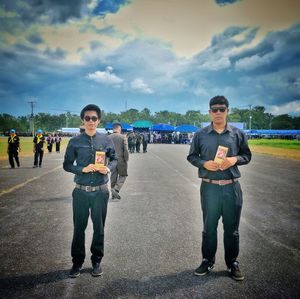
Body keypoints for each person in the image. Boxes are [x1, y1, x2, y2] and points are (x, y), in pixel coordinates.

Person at [187, 95, 251, 281]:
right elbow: (192, 157)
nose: (218, 113)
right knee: (209, 228)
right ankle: (207, 260)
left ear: (227, 111)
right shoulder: (200, 134)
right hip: (210, 188)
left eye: (221, 109)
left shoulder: (237, 134)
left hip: (232, 188)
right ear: (209, 112)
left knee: (232, 229)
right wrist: (204, 164)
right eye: (214, 109)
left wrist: (234, 159)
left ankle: (232, 263)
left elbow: (247, 155)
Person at [63, 104, 117, 278]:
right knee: (79, 228)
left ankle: (96, 261)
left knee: (99, 228)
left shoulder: (106, 140)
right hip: (80, 191)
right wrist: (82, 169)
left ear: (98, 120)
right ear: (83, 120)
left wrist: (108, 169)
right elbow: (67, 165)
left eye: (94, 118)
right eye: (87, 118)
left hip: (100, 191)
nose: (91, 121)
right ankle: (77, 262)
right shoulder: (75, 141)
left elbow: (115, 159)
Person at [108, 122, 129, 200]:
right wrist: (126, 159)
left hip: (111, 160)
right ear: (119, 129)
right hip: (121, 160)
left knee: (113, 176)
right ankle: (116, 189)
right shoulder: (123, 137)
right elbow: (126, 150)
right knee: (123, 175)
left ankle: (113, 195)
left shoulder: (108, 137)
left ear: (113, 129)